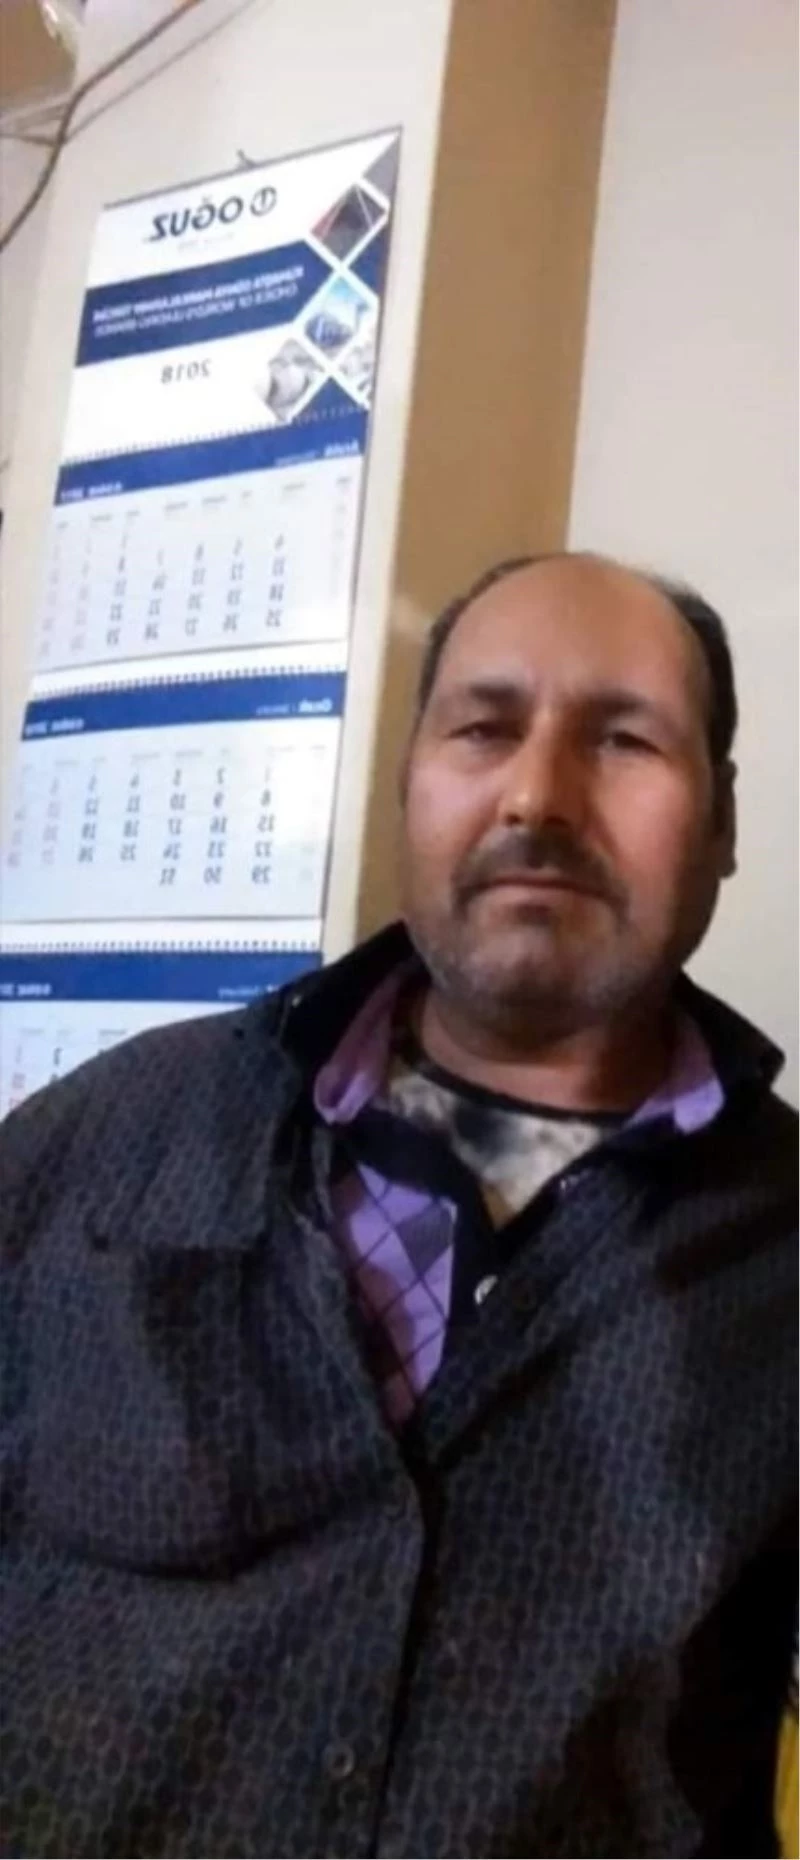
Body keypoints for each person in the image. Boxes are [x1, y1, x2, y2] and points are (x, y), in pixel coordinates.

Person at [1, 552, 796, 1859]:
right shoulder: (107, 1137)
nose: (537, 795)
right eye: (484, 729)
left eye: (625, 740)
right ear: (410, 783)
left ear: (721, 824)